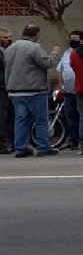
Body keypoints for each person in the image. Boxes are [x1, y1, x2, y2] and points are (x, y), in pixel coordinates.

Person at [3, 24, 61, 158]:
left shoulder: (11, 48)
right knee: (41, 120)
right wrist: (54, 53)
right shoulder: (34, 47)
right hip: (34, 90)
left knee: (20, 120)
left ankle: (20, 148)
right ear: (36, 35)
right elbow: (46, 63)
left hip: (15, 90)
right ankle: (43, 147)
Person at [56, 30, 83, 150]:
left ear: (81, 41)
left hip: (81, 91)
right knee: (70, 117)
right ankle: (73, 141)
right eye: (71, 39)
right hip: (68, 92)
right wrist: (60, 85)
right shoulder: (66, 53)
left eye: (75, 39)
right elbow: (60, 69)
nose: (72, 42)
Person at [0, 26, 14, 154]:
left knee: (10, 116)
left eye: (9, 37)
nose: (8, 40)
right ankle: (3, 144)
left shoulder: (8, 51)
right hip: (1, 88)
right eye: (5, 38)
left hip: (9, 87)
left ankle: (11, 141)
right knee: (2, 117)